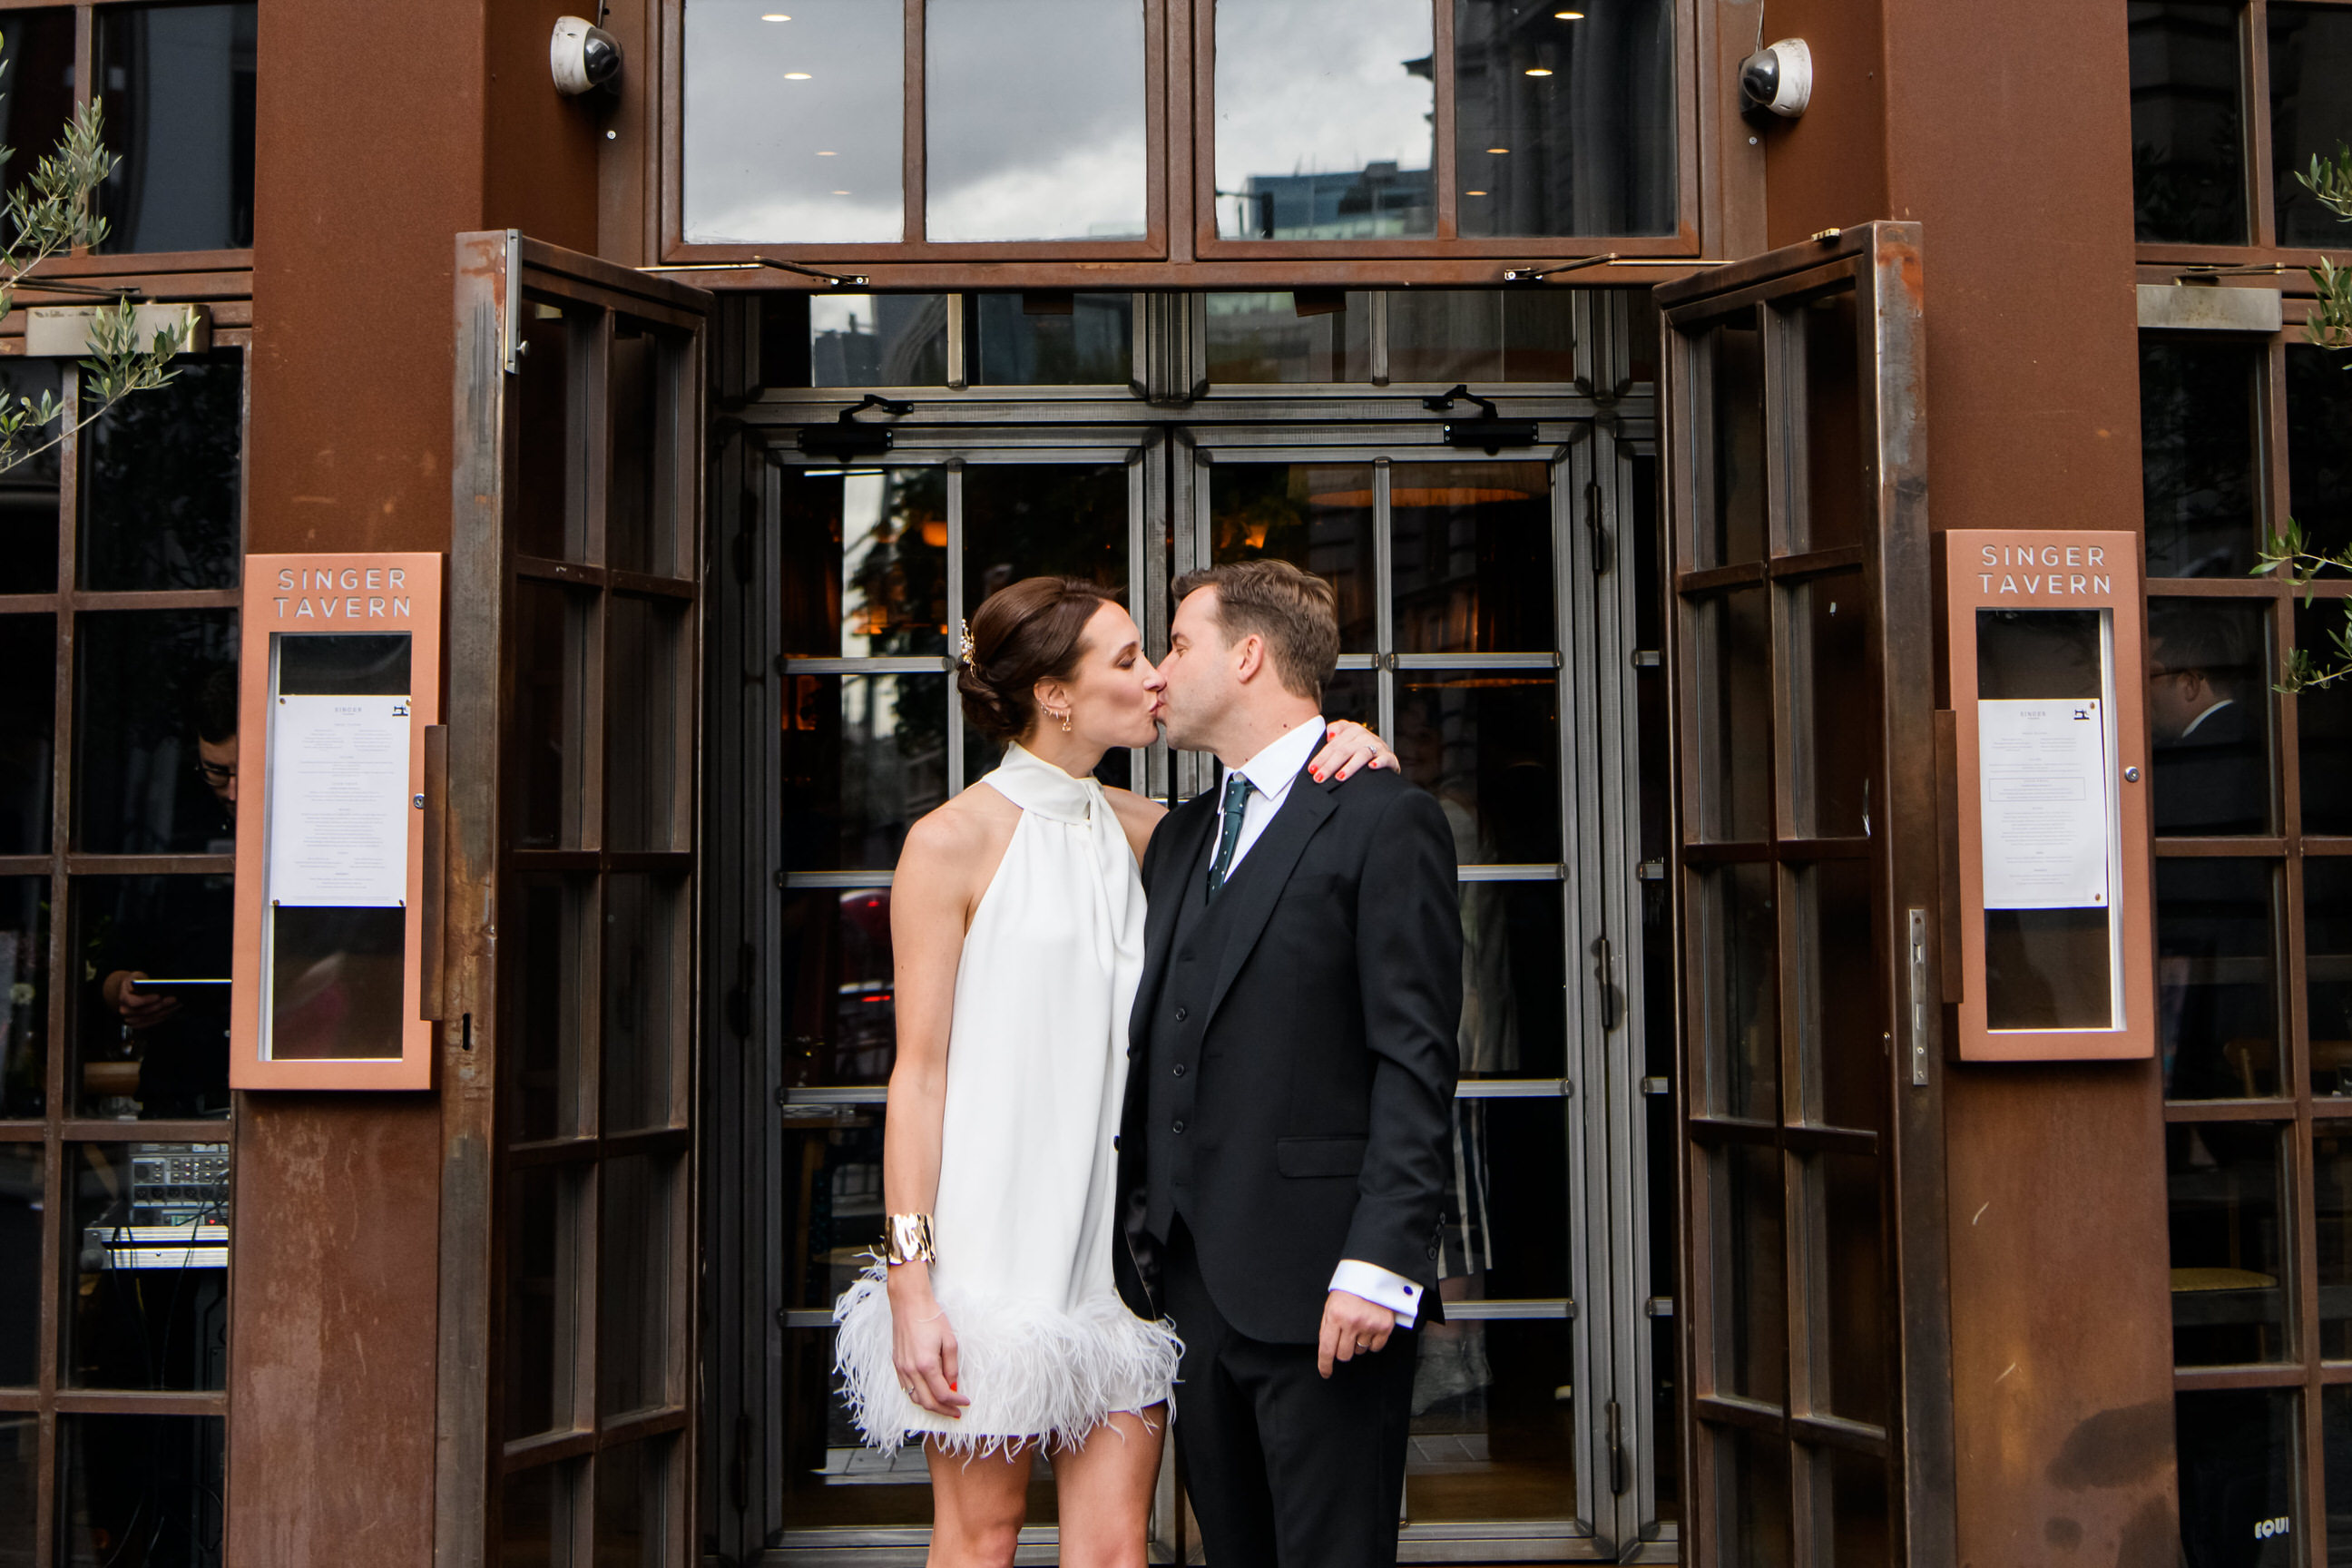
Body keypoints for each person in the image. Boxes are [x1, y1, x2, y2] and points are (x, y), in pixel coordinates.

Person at [829, 575, 1396, 1568]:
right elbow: (916, 1077)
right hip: (992, 1255)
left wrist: (1353, 745)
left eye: (1159, 651)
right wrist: (912, 1282)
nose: (1156, 678)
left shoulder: (1159, 835)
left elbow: (1290, 818)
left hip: (1118, 1261)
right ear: (1055, 694)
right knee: (980, 1537)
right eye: (1129, 658)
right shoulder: (947, 842)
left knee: (1113, 1548)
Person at [1121, 558, 1464, 1568]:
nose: (1159, 674)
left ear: (1250, 655)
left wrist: (1381, 1265)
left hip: (1329, 1292)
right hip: (1190, 1291)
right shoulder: (1182, 836)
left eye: (1178, 645)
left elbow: (1416, 1062)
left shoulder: (1386, 817)